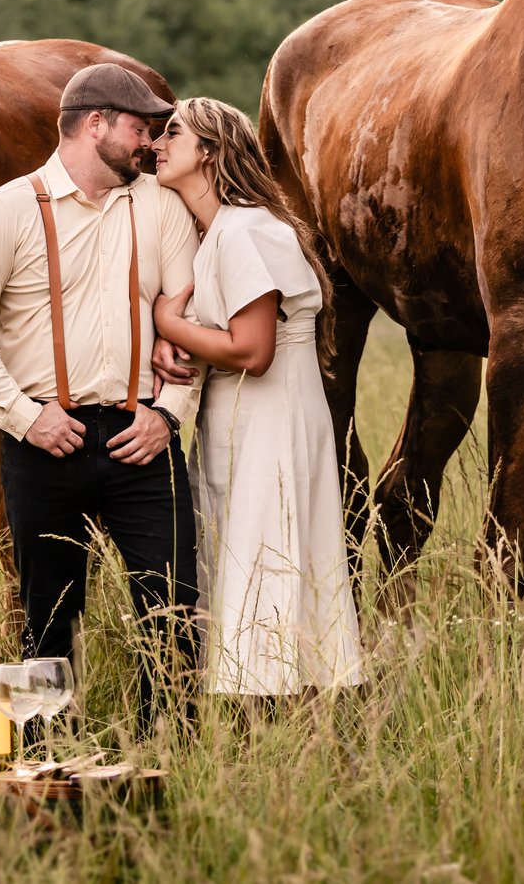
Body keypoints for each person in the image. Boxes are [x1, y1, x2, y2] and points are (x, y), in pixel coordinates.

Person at [0, 62, 204, 727]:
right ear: (94, 124)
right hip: (43, 445)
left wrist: (169, 413)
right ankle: (46, 768)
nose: (149, 142)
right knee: (46, 625)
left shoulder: (162, 207)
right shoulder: (3, 212)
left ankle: (165, 764)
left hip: (143, 438)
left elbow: (189, 315)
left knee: (176, 614)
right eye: (139, 127)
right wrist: (24, 418)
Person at [150, 97, 365, 699]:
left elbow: (251, 349)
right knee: (243, 562)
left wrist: (170, 324)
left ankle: (280, 720)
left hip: (271, 421)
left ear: (210, 152)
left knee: (269, 559)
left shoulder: (246, 229)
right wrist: (173, 345)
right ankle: (255, 722)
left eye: (172, 134)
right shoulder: (219, 232)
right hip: (240, 421)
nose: (157, 146)